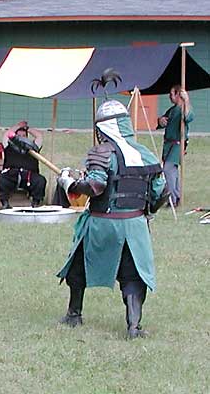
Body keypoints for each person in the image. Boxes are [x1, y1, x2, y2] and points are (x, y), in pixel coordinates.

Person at [56, 98, 168, 339]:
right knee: (133, 276)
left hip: (101, 224)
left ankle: (74, 315)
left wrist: (69, 183)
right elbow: (162, 191)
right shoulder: (146, 153)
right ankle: (133, 326)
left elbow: (95, 185)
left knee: (78, 267)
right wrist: (148, 211)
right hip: (135, 226)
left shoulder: (102, 152)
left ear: (103, 128)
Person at [157, 85, 193, 207]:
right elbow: (163, 121)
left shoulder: (184, 109)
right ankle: (176, 197)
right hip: (168, 145)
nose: (169, 96)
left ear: (178, 95)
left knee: (168, 170)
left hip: (177, 145)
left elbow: (188, 117)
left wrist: (186, 100)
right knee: (173, 172)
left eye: (172, 94)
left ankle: (172, 198)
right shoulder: (172, 110)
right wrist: (161, 120)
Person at [0, 121, 46, 209]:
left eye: (23, 136)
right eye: (19, 136)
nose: (21, 138)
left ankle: (35, 202)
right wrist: (18, 126)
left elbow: (39, 136)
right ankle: (4, 202)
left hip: (29, 176)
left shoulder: (33, 147)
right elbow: (6, 134)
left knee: (40, 180)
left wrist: (27, 128)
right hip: (11, 175)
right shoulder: (8, 145)